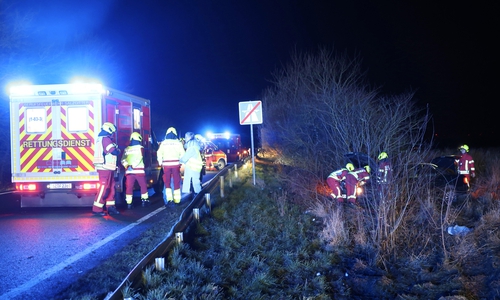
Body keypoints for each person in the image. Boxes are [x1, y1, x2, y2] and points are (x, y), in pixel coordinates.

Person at [92, 122, 121, 216]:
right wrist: (117, 149)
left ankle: (110, 206)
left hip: (108, 168)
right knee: (103, 188)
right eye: (112, 131)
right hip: (104, 168)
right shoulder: (105, 139)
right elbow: (114, 151)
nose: (112, 133)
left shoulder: (102, 138)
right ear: (109, 129)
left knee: (111, 187)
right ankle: (97, 208)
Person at [157, 127, 185, 206]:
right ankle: (177, 200)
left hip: (166, 165)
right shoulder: (178, 143)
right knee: (176, 182)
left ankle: (169, 200)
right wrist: (181, 162)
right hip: (176, 165)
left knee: (167, 182)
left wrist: (160, 162)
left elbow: (159, 153)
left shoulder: (163, 143)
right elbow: (182, 154)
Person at [121, 132, 149, 208]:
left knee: (129, 187)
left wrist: (127, 166)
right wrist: (133, 166)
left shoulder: (126, 149)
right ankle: (145, 201)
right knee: (143, 186)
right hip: (138, 171)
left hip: (129, 171)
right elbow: (139, 158)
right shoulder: (140, 148)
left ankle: (129, 203)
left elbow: (123, 159)